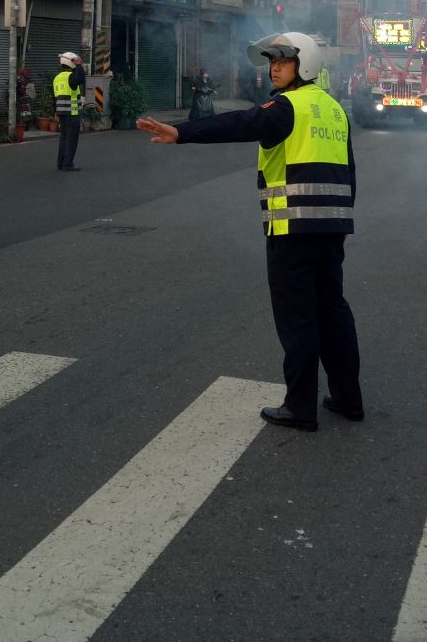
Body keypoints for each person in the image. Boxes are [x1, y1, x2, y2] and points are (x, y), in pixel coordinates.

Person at [137, 31, 363, 433]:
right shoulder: (333, 109)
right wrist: (341, 218)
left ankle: (300, 407)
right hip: (332, 227)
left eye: (283, 60)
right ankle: (348, 398)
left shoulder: (286, 106)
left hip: (291, 226)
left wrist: (182, 132)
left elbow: (240, 123)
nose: (274, 67)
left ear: (304, 64)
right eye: (271, 61)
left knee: (297, 318)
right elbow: (350, 170)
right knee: (333, 310)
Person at [54, 51, 85, 172]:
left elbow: (54, 97)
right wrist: (79, 65)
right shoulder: (70, 77)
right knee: (71, 139)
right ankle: (68, 164)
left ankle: (61, 163)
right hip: (72, 114)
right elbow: (81, 79)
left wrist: (55, 113)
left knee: (63, 138)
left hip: (61, 114)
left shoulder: (57, 78)